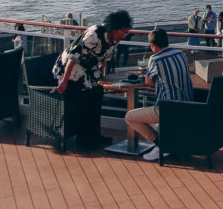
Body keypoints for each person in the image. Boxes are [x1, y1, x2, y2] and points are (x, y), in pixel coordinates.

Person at [52, 10, 133, 150]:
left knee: (97, 93)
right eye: (123, 32)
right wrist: (65, 81)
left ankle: (95, 135)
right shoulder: (94, 35)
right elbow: (73, 56)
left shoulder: (113, 39)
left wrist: (101, 75)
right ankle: (83, 139)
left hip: (88, 67)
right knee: (86, 98)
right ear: (115, 28)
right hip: (72, 69)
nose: (124, 36)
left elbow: (104, 58)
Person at [125, 28, 194, 161]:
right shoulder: (181, 53)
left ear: (153, 46)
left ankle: (161, 145)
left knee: (130, 117)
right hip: (188, 106)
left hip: (167, 109)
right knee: (154, 120)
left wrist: (148, 73)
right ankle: (169, 143)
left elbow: (149, 82)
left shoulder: (155, 59)